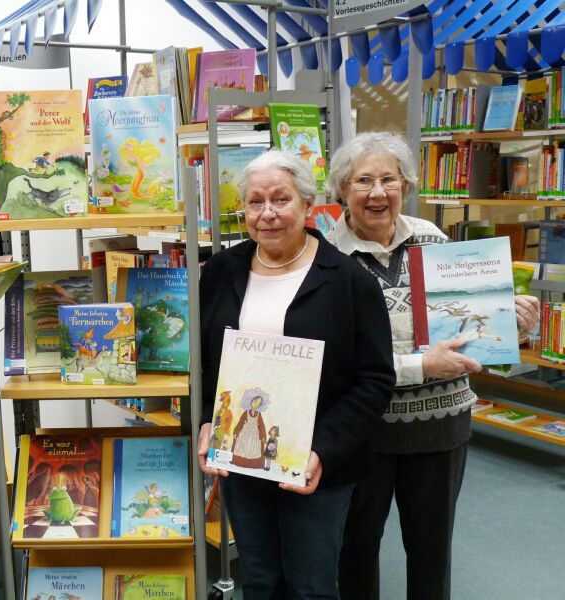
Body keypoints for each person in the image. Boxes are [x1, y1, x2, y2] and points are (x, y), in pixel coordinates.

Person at [326, 132, 540, 600]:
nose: (378, 192)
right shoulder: (324, 257)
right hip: (361, 433)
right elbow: (334, 361)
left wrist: (513, 327)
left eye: (390, 179)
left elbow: (466, 331)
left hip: (440, 426)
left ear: (406, 184)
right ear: (342, 189)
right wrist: (420, 366)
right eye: (364, 180)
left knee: (431, 550)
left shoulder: (433, 240)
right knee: (356, 549)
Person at [197, 149, 397, 599]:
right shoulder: (222, 271)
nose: (267, 213)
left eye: (281, 199)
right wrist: (210, 421)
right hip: (243, 460)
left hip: (316, 467)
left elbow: (375, 380)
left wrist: (322, 451)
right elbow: (210, 363)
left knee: (312, 586)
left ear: (308, 206)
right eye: (255, 202)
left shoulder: (349, 281)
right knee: (261, 579)